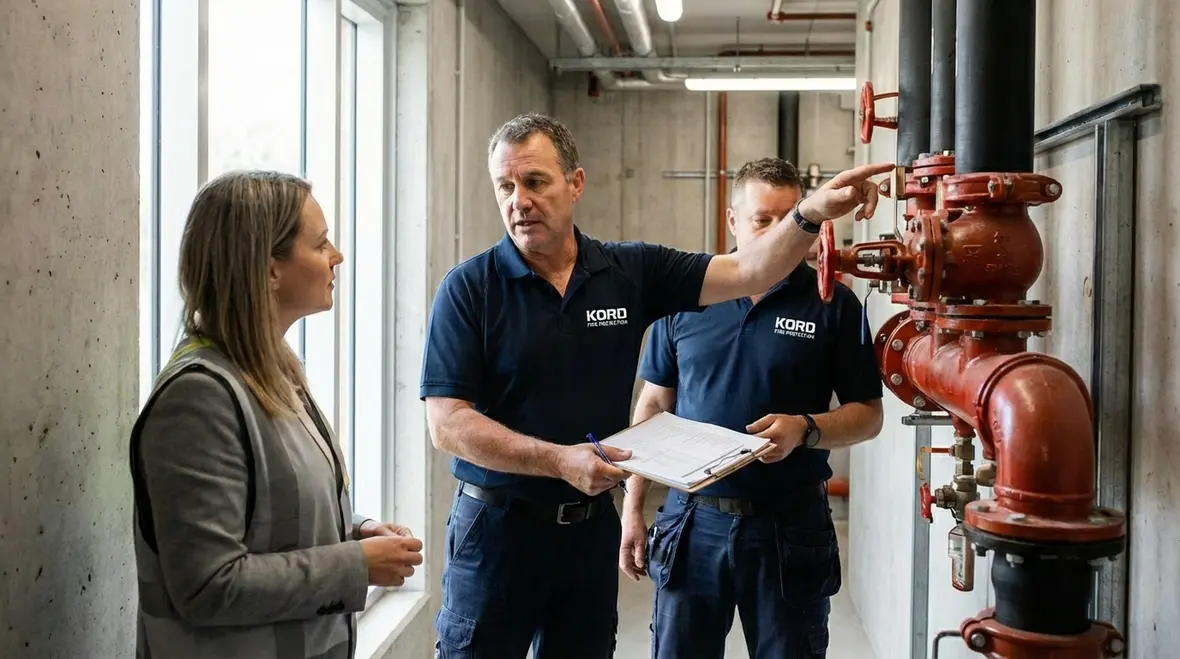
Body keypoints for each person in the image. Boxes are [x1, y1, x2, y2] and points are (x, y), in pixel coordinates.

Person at [420, 113, 892, 659]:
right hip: (497, 530)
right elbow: (447, 424)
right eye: (505, 185)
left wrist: (810, 213)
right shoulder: (469, 288)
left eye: (535, 182)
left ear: (575, 183)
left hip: (589, 530)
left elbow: (751, 273)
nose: (518, 200)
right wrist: (561, 462)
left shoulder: (632, 271)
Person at [129, 170, 424, 659]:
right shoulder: (198, 399)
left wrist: (355, 532)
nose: (337, 256)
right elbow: (208, 585)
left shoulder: (271, 371)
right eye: (321, 243)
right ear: (269, 270)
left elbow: (268, 520)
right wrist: (354, 564)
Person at [618, 158, 885, 659]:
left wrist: (806, 428)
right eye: (764, 219)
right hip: (691, 522)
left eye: (793, 217)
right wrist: (633, 507)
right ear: (732, 220)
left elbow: (868, 415)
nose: (782, 232)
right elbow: (653, 404)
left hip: (790, 525)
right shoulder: (686, 299)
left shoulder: (834, 305)